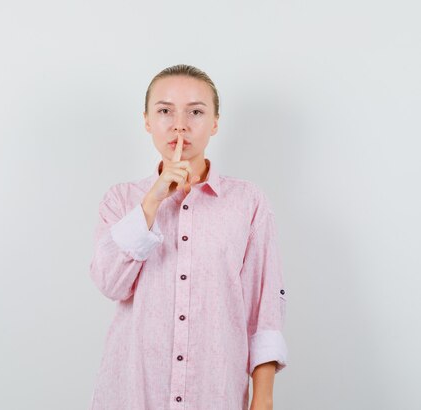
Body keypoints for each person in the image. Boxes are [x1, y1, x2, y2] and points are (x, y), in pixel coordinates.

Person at [88, 64, 288, 410]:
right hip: (132, 394)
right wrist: (152, 202)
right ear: (147, 121)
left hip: (215, 393)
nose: (179, 124)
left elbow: (263, 307)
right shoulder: (121, 200)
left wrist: (263, 399)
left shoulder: (247, 202)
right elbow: (110, 283)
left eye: (195, 111)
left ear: (214, 123)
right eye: (165, 111)